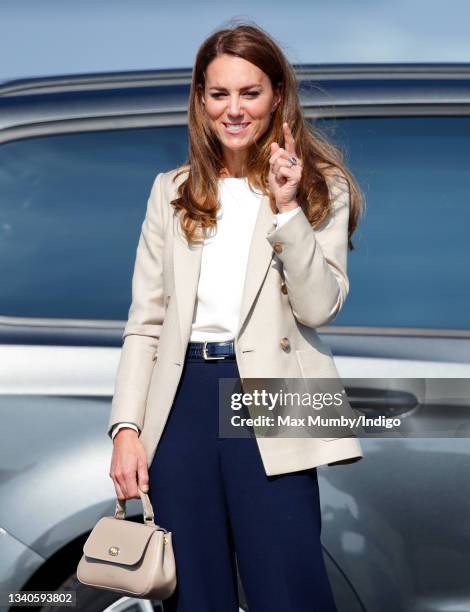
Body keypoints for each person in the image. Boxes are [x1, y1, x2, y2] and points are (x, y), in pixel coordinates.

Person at [108, 21, 364, 612]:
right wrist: (126, 429)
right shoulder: (169, 191)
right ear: (201, 99)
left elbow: (319, 306)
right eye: (219, 93)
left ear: (277, 95)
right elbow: (144, 324)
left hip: (277, 394)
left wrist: (287, 208)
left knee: (290, 588)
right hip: (183, 398)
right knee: (194, 594)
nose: (234, 109)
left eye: (250, 92)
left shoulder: (321, 187)